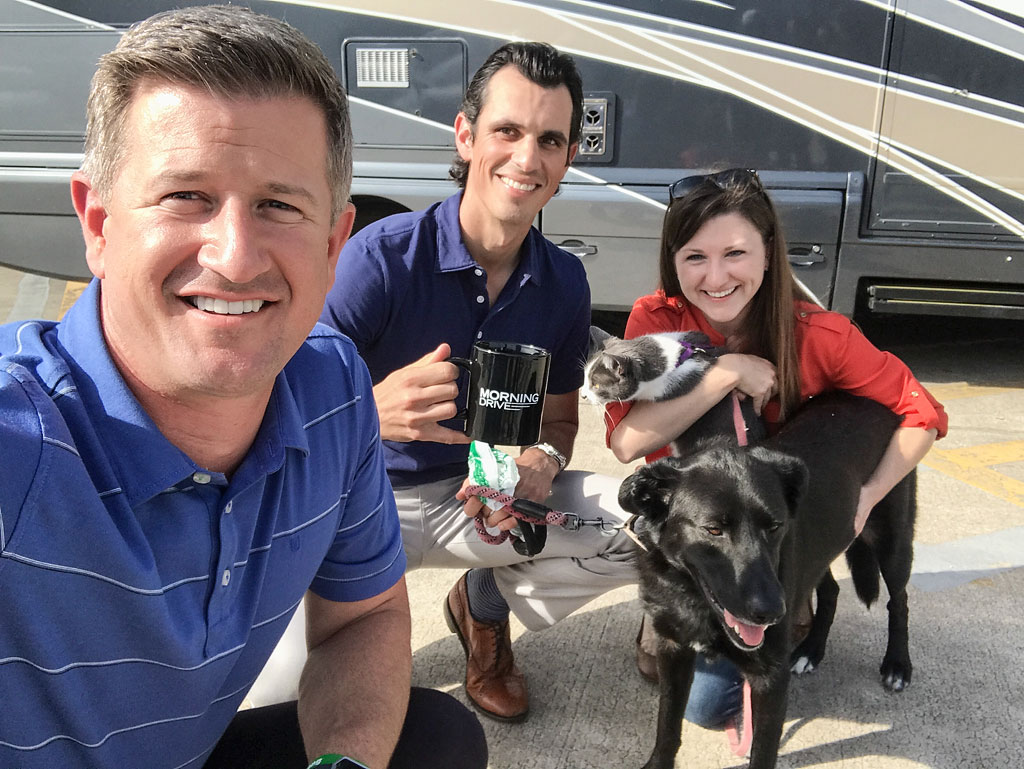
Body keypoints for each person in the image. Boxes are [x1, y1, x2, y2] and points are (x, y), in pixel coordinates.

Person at [0, 7, 485, 769]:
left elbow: (364, 620)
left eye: (278, 205)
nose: (233, 255)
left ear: (333, 246)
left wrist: (344, 762)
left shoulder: (333, 387)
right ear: (97, 223)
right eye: (185, 195)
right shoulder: (20, 445)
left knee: (439, 738)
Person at [320, 42, 637, 723]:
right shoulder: (381, 258)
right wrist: (368, 410)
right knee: (288, 707)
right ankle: (356, 614)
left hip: (485, 504)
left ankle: (483, 610)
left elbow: (557, 422)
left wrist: (541, 462)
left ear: (567, 160)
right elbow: (279, 401)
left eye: (550, 140)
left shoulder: (564, 282)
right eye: (508, 131)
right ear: (466, 137)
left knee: (646, 525)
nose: (527, 158)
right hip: (368, 503)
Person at [605, 167, 948, 731]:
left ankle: (805, 595)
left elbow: (922, 415)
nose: (715, 277)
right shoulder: (658, 322)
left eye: (735, 253)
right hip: (706, 523)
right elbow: (627, 442)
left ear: (768, 254)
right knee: (700, 700)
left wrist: (864, 498)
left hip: (773, 523)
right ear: (674, 261)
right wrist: (724, 372)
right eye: (694, 257)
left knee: (718, 696)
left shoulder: (821, 333)